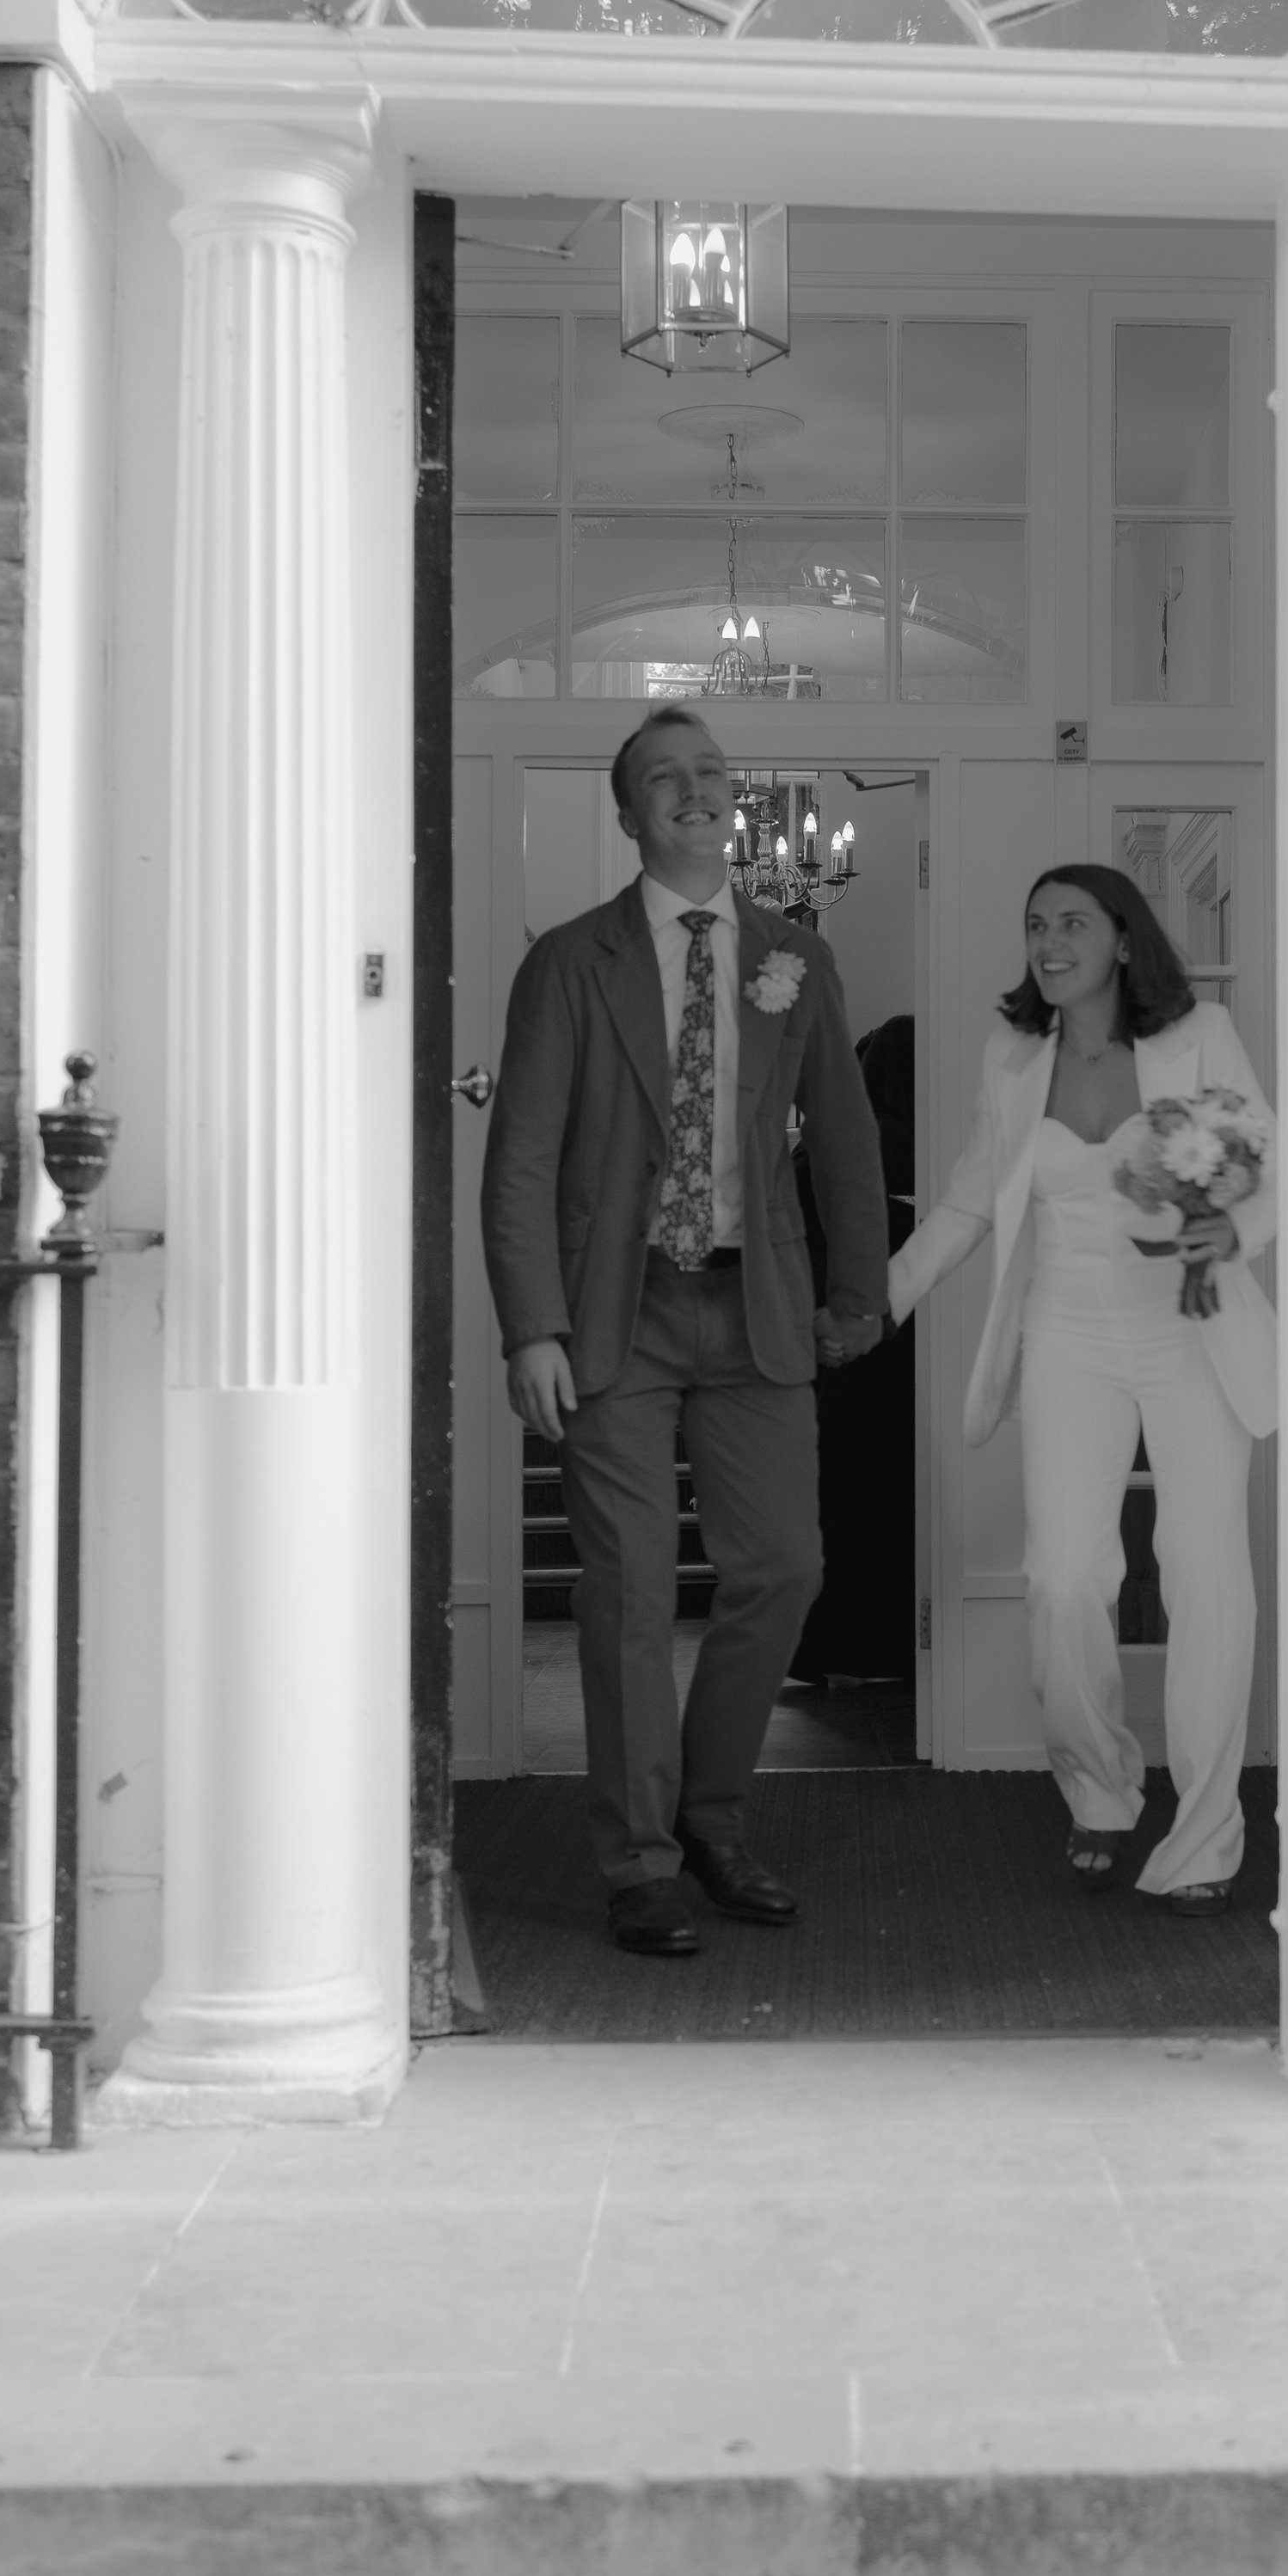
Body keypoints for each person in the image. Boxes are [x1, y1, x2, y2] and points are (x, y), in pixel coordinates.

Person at [480, 708, 888, 1959]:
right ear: (629, 813)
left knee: (784, 1570)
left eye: (710, 773)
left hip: (756, 1306)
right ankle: (640, 1860)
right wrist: (531, 1327)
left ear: (737, 803)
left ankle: (712, 1819)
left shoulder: (794, 959)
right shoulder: (568, 961)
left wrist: (858, 1292)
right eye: (665, 778)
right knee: (628, 1593)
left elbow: (850, 1138)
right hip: (616, 1314)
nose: (695, 792)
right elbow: (521, 1162)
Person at [887, 868, 1276, 1913]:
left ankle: (1204, 1836)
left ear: (1120, 937)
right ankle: (1101, 1789)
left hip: (1188, 1330)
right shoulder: (1013, 1053)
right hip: (1062, 1332)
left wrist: (1230, 1226)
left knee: (1203, 1573)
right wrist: (878, 1300)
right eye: (1035, 925)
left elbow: (1266, 1167)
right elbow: (971, 1200)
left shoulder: (1201, 1033)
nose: (1049, 940)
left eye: (1072, 922)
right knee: (1062, 1575)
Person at [789, 1014, 918, 1687]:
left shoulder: (819, 1150)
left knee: (830, 1505)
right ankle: (889, 1649)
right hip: (897, 1356)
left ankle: (821, 1650)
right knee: (890, 1502)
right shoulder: (920, 1150)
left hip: (819, 1352)